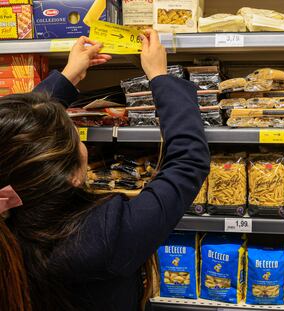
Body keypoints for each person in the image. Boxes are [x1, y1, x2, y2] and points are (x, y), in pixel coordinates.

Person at [0, 30, 210, 311]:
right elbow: (188, 162)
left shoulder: (11, 224)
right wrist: (161, 76)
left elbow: (15, 137)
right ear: (74, 177)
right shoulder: (104, 236)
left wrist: (67, 76)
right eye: (75, 136)